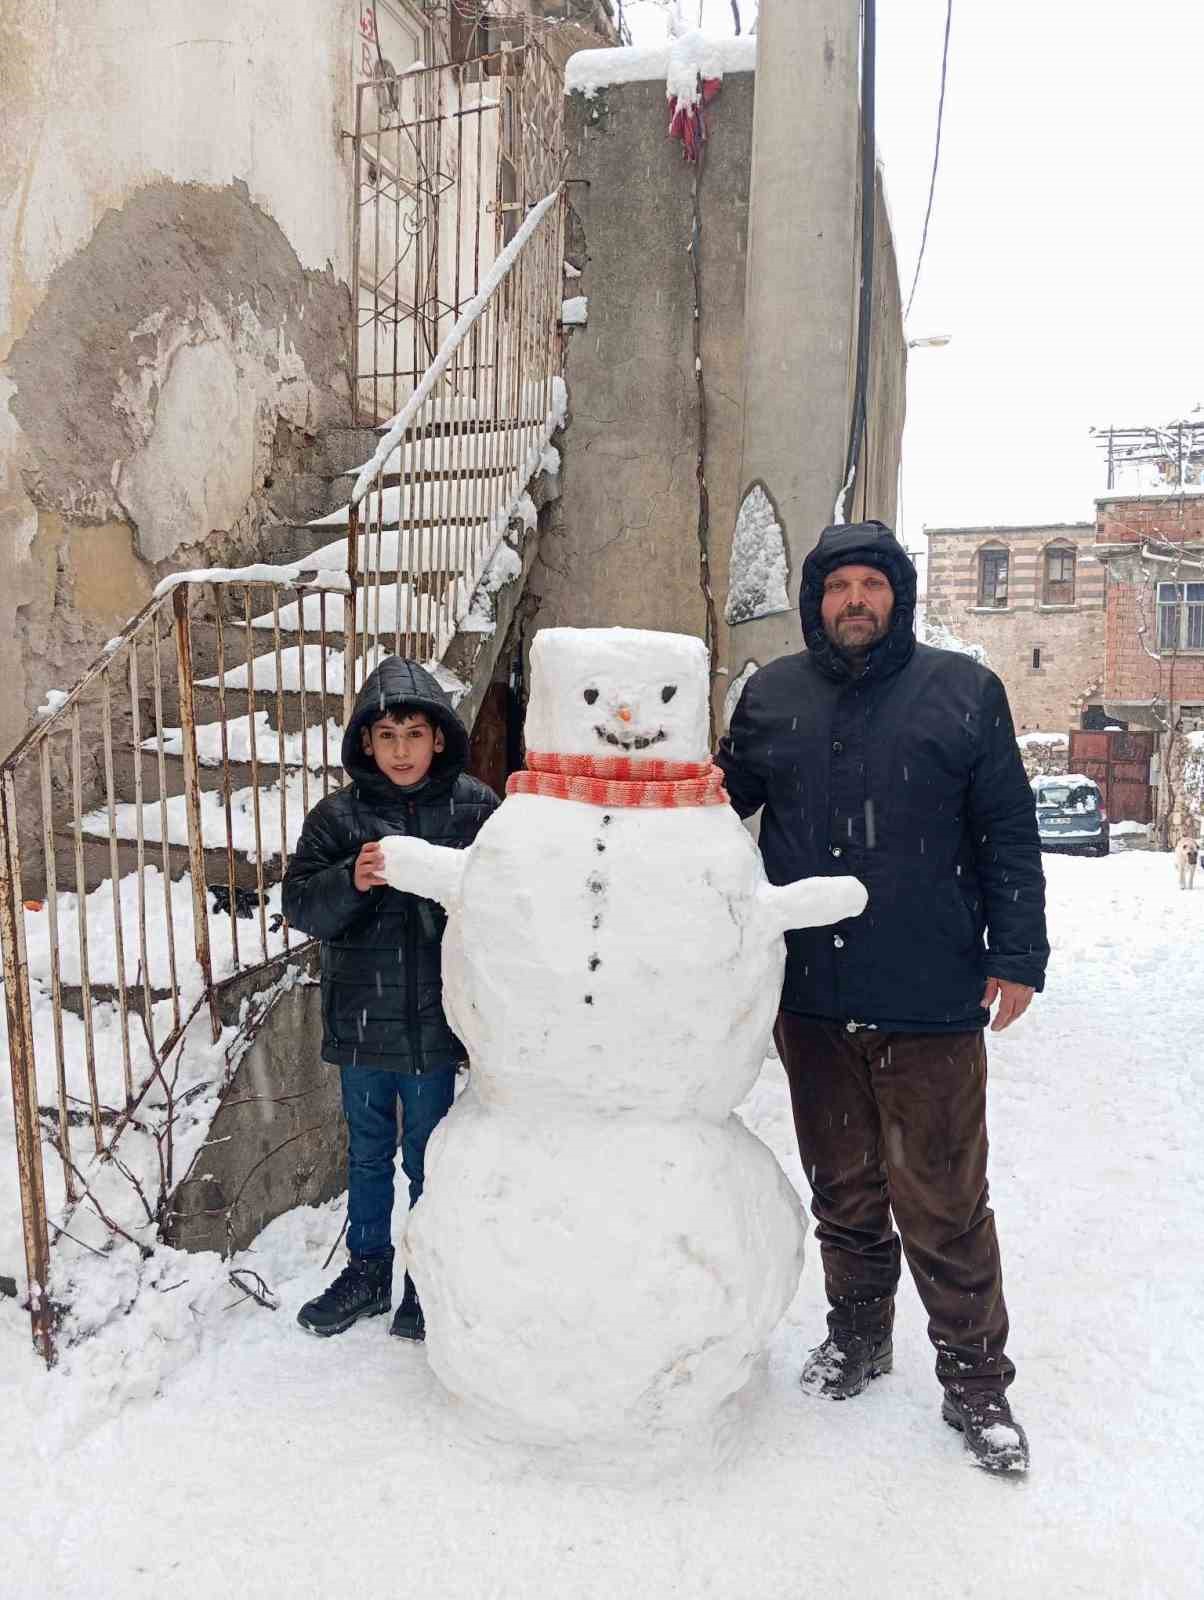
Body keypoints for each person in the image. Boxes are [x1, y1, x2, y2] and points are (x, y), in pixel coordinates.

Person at [716, 520, 1048, 1475]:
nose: (853, 600)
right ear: (816, 601)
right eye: (836, 587)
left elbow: (1006, 832)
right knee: (845, 1189)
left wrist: (1017, 953)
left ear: (896, 597)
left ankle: (978, 1385)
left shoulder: (962, 693)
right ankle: (859, 1338)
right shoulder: (772, 696)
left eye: (870, 584)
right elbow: (712, 803)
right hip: (813, 994)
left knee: (943, 1201)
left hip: (930, 993)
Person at [283, 657, 498, 1340]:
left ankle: (427, 1281)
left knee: (432, 1156)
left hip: (437, 1021)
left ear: (438, 738)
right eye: (386, 736)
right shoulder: (338, 817)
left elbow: (509, 900)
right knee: (369, 1152)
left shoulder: (475, 809)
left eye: (414, 733)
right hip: (362, 1020)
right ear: (366, 744)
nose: (401, 750)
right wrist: (352, 877)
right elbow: (301, 906)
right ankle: (368, 1268)